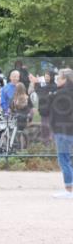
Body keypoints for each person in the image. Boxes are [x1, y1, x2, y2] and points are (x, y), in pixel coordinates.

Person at [48, 68, 73, 198]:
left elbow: (48, 110)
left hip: (63, 130)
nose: (57, 80)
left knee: (64, 159)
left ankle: (69, 190)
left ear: (65, 79)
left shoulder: (60, 94)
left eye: (59, 78)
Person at [35, 71, 57, 143]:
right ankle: (46, 146)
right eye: (45, 76)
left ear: (52, 77)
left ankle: (51, 146)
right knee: (44, 129)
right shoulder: (45, 86)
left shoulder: (54, 86)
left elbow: (41, 92)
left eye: (48, 76)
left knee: (50, 129)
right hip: (44, 111)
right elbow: (40, 92)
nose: (46, 78)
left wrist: (36, 83)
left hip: (51, 111)